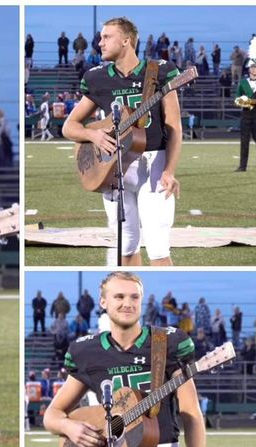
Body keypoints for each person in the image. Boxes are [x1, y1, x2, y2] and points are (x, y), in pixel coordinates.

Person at [43, 271, 205, 447]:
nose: (127, 303)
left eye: (134, 297)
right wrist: (70, 428)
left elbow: (191, 412)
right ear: (103, 301)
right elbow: (52, 416)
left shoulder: (167, 343)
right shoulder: (87, 351)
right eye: (118, 296)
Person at [63, 17, 182, 266]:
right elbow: (69, 127)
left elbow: (174, 126)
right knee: (126, 246)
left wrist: (170, 170)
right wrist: (94, 134)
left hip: (153, 165)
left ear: (126, 40)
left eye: (107, 37)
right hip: (113, 169)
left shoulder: (159, 71)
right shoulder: (96, 77)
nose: (100, 42)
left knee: (158, 247)